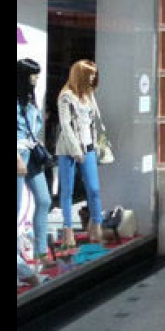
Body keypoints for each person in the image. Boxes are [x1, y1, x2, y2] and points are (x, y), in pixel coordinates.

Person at [55, 59, 109, 248]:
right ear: (80, 75)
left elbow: (96, 120)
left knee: (94, 189)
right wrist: (75, 150)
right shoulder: (66, 96)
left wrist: (99, 143)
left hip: (89, 146)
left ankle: (96, 224)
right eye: (90, 75)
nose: (93, 78)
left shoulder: (89, 95)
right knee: (67, 191)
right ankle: (68, 230)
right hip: (68, 149)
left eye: (94, 75)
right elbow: (65, 125)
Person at [17, 58, 54, 270]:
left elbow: (34, 125)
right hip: (19, 154)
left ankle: (40, 252)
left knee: (44, 200)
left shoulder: (30, 100)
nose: (36, 78)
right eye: (33, 74)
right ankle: (19, 262)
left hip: (31, 152)